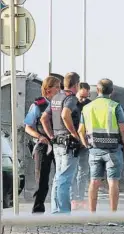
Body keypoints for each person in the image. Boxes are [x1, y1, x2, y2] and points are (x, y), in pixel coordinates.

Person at [78, 78, 124, 225]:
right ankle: (113, 218)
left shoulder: (87, 108)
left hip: (94, 150)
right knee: (113, 182)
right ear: (111, 91)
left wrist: (86, 144)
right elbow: (123, 131)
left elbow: (80, 130)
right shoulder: (115, 107)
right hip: (113, 150)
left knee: (94, 182)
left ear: (98, 90)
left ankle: (92, 218)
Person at [40, 72, 81, 214]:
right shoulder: (70, 98)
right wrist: (74, 134)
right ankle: (64, 212)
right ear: (77, 85)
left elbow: (44, 118)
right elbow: (65, 114)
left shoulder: (56, 98)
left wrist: (51, 135)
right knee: (65, 178)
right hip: (68, 144)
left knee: (58, 177)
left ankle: (55, 210)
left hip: (57, 142)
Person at [24, 75, 61, 213]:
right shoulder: (37, 105)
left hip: (59, 145)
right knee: (42, 180)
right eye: (56, 87)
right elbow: (27, 126)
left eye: (60, 87)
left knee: (61, 177)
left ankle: (59, 208)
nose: (59, 90)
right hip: (43, 146)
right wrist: (40, 136)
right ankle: (38, 209)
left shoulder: (61, 104)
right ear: (47, 90)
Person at [71, 82, 92, 210]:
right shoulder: (70, 103)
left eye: (86, 96)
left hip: (85, 142)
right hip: (73, 142)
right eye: (81, 96)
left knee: (84, 171)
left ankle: (80, 197)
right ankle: (73, 198)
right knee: (72, 171)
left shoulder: (90, 104)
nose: (83, 99)